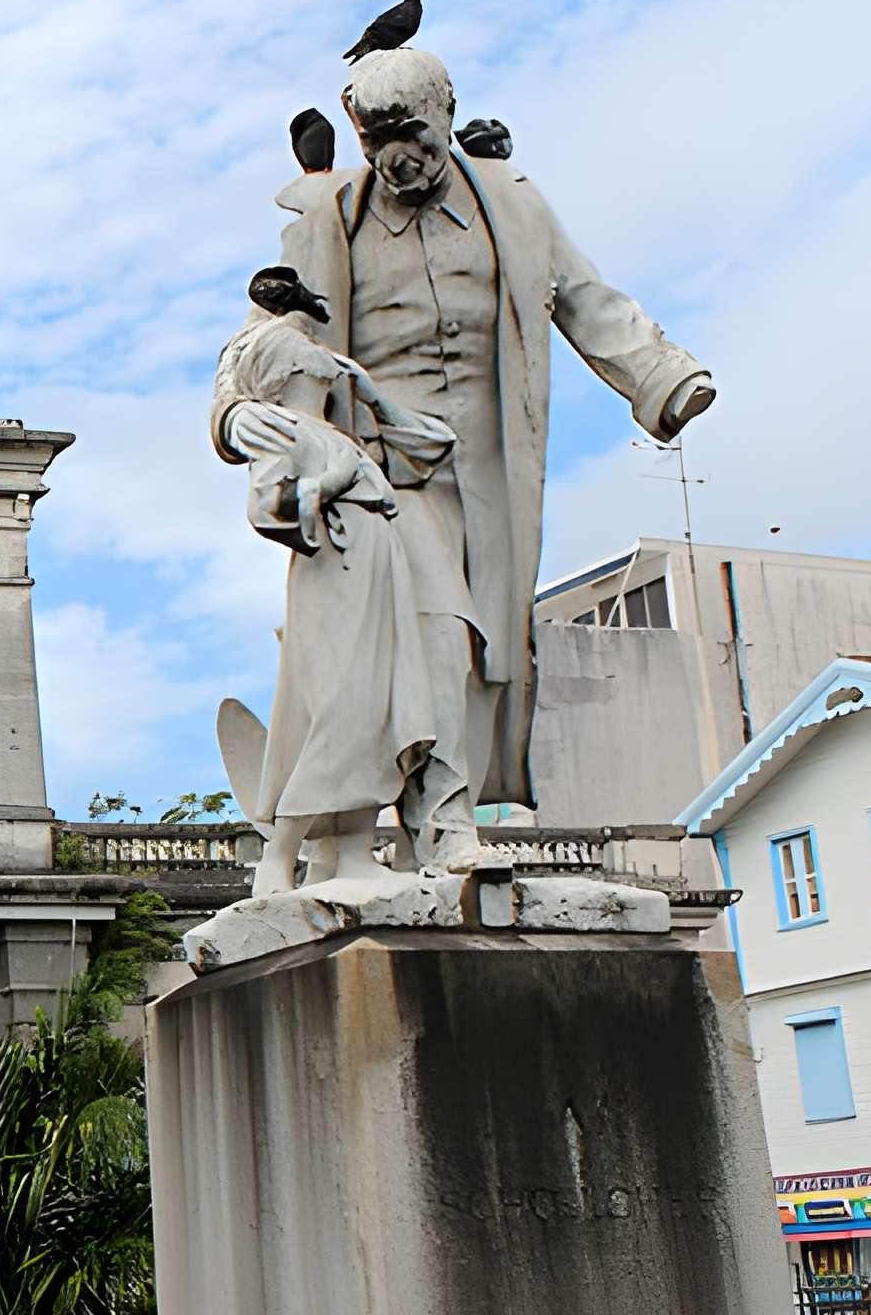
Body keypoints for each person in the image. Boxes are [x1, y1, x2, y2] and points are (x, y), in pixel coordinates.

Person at [211, 47, 712, 861]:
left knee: (482, 656)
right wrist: (234, 415)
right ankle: (446, 827)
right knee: (434, 629)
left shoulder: (512, 205)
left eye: (407, 132)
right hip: (379, 466)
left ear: (447, 111)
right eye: (373, 141)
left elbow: (584, 297)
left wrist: (662, 376)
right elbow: (265, 337)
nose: (392, 157)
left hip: (488, 465)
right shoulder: (326, 221)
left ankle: (420, 842)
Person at [215, 268, 462, 894]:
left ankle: (352, 843)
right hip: (333, 561)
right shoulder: (281, 428)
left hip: (378, 562)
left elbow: (436, 443)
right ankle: (283, 851)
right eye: (315, 364)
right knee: (340, 702)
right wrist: (326, 486)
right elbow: (266, 506)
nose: (329, 371)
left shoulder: (342, 432)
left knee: (383, 704)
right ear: (289, 370)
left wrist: (376, 400)